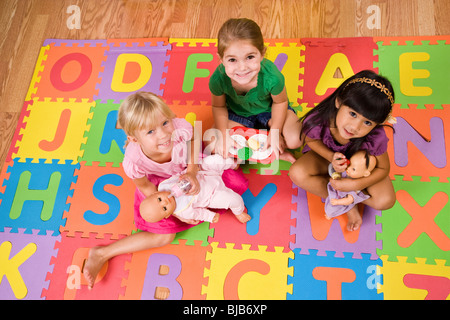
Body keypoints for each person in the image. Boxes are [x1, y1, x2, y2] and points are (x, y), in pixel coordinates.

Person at [82, 92, 247, 292]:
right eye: (150, 132)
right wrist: (174, 209)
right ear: (134, 139)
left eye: (165, 123)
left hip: (192, 167)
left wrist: (192, 171)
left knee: (232, 180)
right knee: (164, 236)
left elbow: (194, 139)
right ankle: (102, 253)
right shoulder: (133, 161)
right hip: (162, 188)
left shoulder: (179, 128)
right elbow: (145, 187)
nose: (163, 134)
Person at [289, 70, 397, 231]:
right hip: (328, 158)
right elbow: (311, 139)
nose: (355, 127)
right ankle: (347, 204)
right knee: (296, 173)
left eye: (367, 123)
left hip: (358, 169)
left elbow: (383, 168)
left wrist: (355, 184)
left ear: (377, 124)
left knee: (385, 201)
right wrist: (331, 156)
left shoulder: (375, 136)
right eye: (352, 114)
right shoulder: (320, 120)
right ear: (339, 102)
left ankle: (349, 198)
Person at [208, 18, 302, 163]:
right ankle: (275, 151)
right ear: (221, 59)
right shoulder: (218, 79)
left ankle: (268, 138)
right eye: (232, 60)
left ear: (262, 53)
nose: (242, 68)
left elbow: (280, 102)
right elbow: (218, 106)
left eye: (250, 57)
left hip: (271, 113)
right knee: (212, 142)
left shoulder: (272, 77)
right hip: (238, 117)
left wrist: (276, 130)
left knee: (296, 140)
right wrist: (223, 133)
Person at [140, 155, 251, 224]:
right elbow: (199, 213)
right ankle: (238, 211)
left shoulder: (164, 185)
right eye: (164, 208)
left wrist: (186, 174)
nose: (165, 201)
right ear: (169, 214)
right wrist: (211, 217)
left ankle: (233, 164)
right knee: (233, 199)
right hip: (212, 195)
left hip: (203, 172)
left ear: (156, 192)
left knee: (213, 160)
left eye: (159, 199)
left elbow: (178, 174)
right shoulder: (183, 211)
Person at [325, 150, 376, 220]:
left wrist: (337, 202)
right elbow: (333, 169)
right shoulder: (347, 172)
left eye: (353, 169)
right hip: (334, 191)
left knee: (331, 209)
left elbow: (349, 200)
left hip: (340, 199)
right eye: (350, 164)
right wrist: (336, 175)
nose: (348, 168)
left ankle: (329, 215)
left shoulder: (356, 187)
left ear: (366, 174)